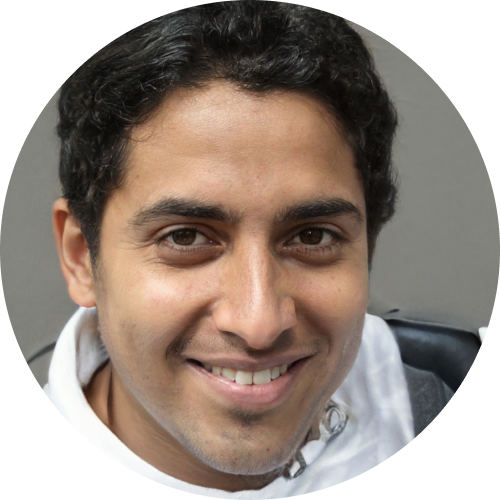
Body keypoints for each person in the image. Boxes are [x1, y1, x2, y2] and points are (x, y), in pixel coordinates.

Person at [44, 0, 481, 495]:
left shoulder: (445, 383)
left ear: (367, 246)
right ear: (81, 257)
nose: (259, 324)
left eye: (312, 236)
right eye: (185, 237)